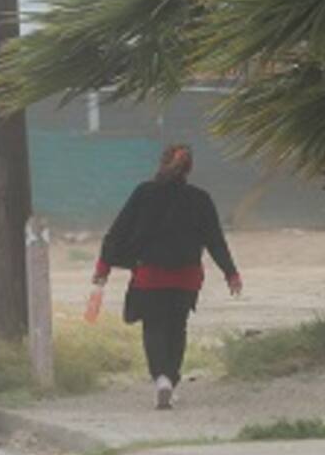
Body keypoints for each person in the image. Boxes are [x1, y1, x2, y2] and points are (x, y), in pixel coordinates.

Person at [93, 144, 242, 410]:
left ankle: (161, 378)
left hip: (151, 276)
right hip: (187, 277)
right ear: (189, 169)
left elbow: (119, 231)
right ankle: (171, 380)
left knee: (154, 327)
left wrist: (103, 267)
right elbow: (215, 241)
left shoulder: (144, 193)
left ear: (161, 164)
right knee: (177, 328)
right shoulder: (200, 199)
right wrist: (231, 272)